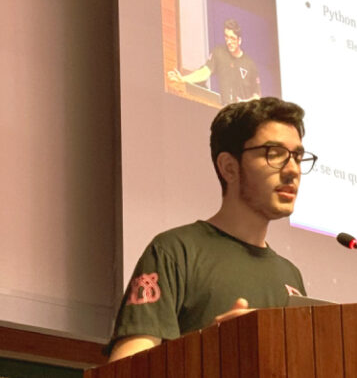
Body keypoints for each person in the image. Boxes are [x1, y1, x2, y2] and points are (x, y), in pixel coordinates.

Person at [107, 97, 317, 361]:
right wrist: (211, 348)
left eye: (297, 157)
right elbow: (126, 366)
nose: (293, 170)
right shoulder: (175, 251)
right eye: (274, 154)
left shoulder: (290, 274)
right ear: (229, 167)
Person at [168, 19, 262, 104]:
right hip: (224, 109)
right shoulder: (219, 53)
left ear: (239, 40)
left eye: (232, 38)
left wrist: (243, 103)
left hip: (243, 113)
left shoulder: (250, 65)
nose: (229, 42)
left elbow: (257, 96)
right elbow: (205, 72)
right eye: (226, 37)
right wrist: (183, 79)